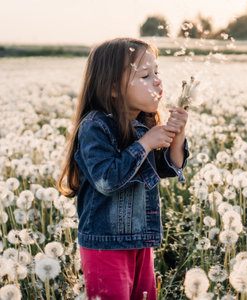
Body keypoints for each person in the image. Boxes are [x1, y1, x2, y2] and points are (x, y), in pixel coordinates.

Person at [58, 37, 189, 300]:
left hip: (141, 239)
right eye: (145, 75)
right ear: (114, 88)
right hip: (105, 244)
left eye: (157, 72)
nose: (157, 81)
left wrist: (178, 134)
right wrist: (145, 144)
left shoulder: (144, 124)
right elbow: (107, 180)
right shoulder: (95, 126)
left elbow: (166, 168)